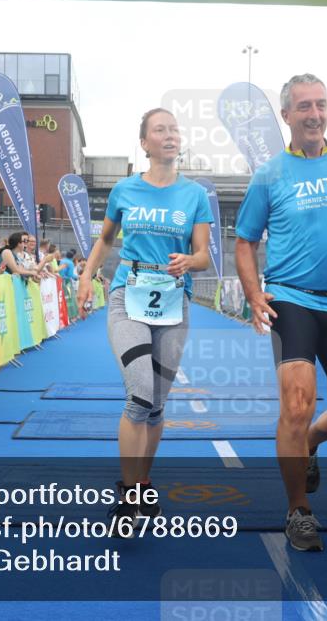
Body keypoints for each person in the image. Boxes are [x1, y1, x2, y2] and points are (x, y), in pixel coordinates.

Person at [235, 74, 327, 552]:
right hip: (290, 298)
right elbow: (244, 242)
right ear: (286, 115)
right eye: (304, 106)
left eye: (321, 104)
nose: (315, 114)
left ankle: (313, 442)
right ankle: (298, 510)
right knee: (297, 404)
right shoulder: (269, 174)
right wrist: (254, 294)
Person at [77, 108, 212, 530]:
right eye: (160, 130)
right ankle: (128, 496)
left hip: (173, 302)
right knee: (139, 395)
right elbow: (105, 239)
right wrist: (86, 276)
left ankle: (142, 483)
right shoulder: (124, 190)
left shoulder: (195, 195)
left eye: (174, 129)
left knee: (156, 406)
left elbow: (204, 255)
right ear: (144, 143)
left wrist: (189, 261)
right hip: (127, 296)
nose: (170, 135)